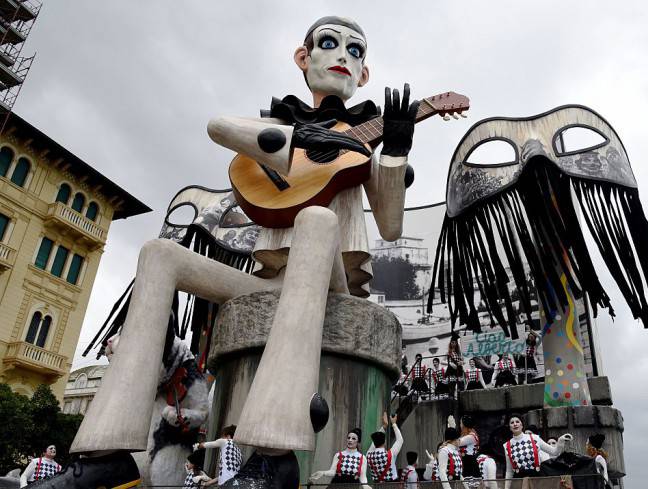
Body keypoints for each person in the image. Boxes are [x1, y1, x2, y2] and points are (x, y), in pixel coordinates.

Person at [54, 15, 418, 488]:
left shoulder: (365, 139)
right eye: (330, 44)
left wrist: (396, 149)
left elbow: (389, 227)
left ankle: (273, 455)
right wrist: (308, 138)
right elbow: (218, 125)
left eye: (356, 52)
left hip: (334, 277)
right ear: (303, 59)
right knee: (158, 253)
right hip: (270, 279)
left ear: (364, 74)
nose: (344, 58)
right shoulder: (279, 122)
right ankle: (109, 456)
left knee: (317, 219)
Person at [503, 414, 573, 489]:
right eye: (512, 422)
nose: (515, 424)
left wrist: (560, 440)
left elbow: (554, 452)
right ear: (510, 427)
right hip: (519, 481)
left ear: (522, 425)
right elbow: (509, 471)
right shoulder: (506, 445)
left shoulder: (535, 438)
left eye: (517, 421)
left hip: (537, 479)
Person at [366, 412, 403, 482]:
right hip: (391, 485)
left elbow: (374, 443)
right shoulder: (390, 454)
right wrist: (394, 423)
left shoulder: (368, 455)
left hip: (377, 485)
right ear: (385, 442)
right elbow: (400, 440)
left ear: (374, 441)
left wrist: (384, 426)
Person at [456, 414, 480, 479]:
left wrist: (452, 429)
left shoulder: (471, 436)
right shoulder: (465, 435)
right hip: (465, 462)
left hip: (470, 463)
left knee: (470, 485)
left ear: (464, 425)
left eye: (460, 423)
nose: (460, 425)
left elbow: (456, 443)